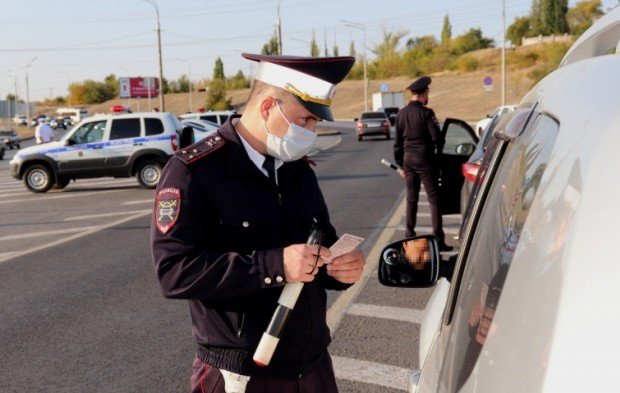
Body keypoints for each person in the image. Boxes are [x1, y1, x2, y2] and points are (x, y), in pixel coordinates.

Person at [150, 53, 365, 393]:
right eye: (305, 120)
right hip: (242, 376)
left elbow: (319, 243)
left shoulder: (297, 169)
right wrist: (275, 265)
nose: (311, 132)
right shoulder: (194, 170)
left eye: (314, 123)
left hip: (313, 369)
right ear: (268, 108)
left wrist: (339, 268)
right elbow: (174, 272)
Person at [394, 76, 453, 251]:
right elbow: (437, 138)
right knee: (434, 200)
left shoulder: (401, 114)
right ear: (423, 94)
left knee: (411, 199)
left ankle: (409, 237)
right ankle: (438, 240)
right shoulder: (426, 113)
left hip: (408, 160)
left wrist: (400, 165)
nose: (428, 96)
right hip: (425, 160)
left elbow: (397, 143)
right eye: (427, 93)